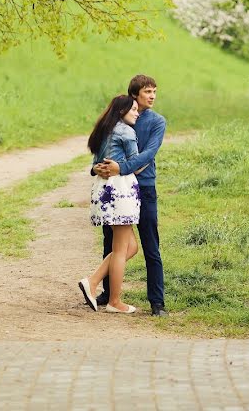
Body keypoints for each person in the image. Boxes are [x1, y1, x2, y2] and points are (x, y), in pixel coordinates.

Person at [94, 75, 167, 316]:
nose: (153, 96)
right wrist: (98, 168)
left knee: (149, 245)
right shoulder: (120, 117)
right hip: (116, 188)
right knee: (111, 243)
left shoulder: (157, 122)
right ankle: (107, 295)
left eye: (154, 91)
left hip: (143, 187)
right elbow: (104, 149)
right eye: (148, 91)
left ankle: (157, 302)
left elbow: (148, 154)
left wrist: (120, 167)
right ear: (135, 94)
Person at [78, 95, 144, 314]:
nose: (137, 112)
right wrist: (147, 159)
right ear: (121, 111)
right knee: (120, 249)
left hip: (104, 189)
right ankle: (114, 301)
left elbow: (95, 165)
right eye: (133, 109)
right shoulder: (126, 131)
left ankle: (93, 281)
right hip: (121, 189)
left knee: (129, 247)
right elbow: (135, 165)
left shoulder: (104, 130)